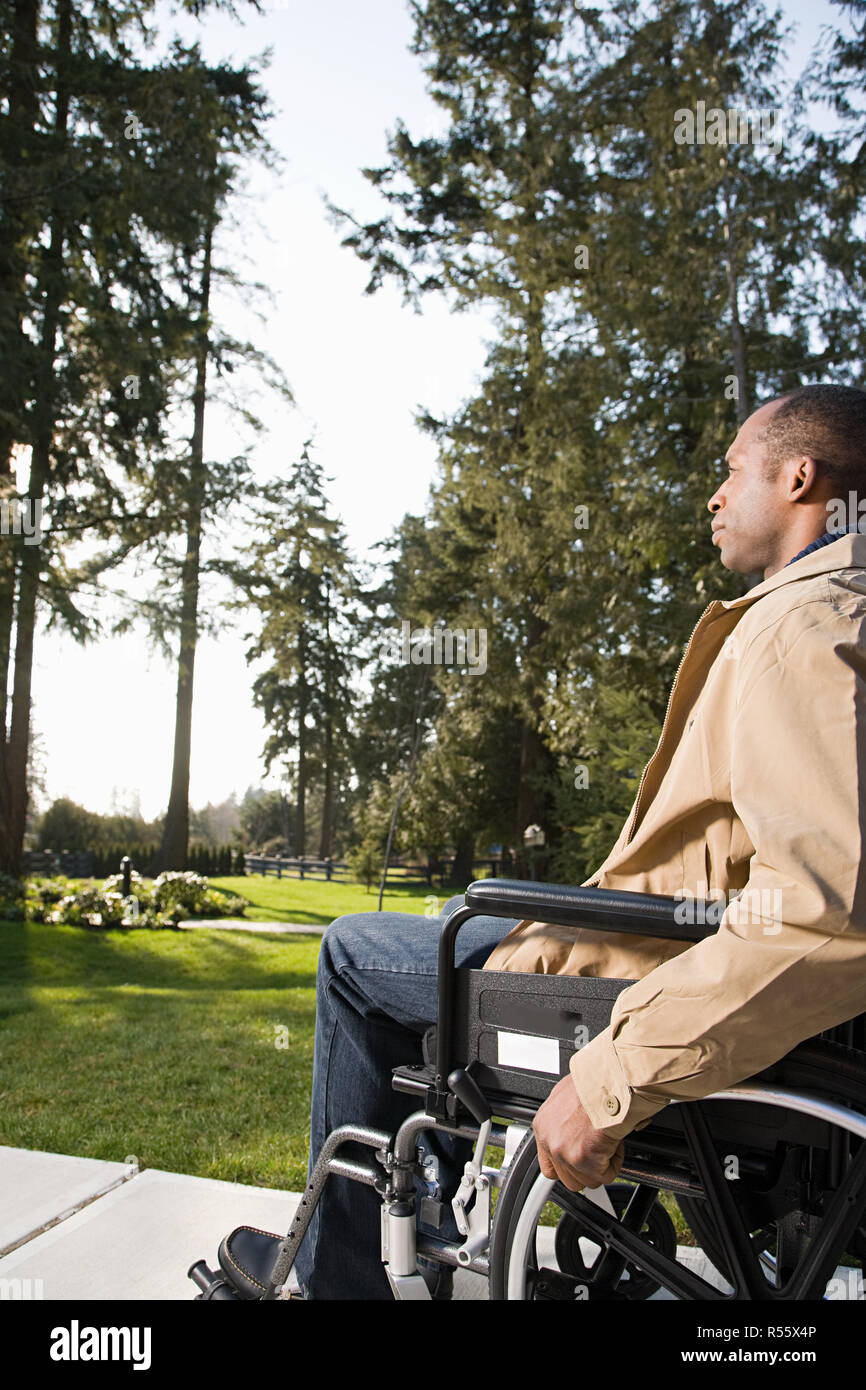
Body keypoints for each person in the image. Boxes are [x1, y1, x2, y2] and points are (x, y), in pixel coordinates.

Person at [294, 384, 866, 1299]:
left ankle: (340, 1279)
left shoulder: (802, 627)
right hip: (677, 933)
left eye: (730, 472)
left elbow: (825, 914)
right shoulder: (835, 611)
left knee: (354, 952)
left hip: (654, 965)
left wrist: (614, 1076)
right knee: (458, 914)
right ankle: (433, 1202)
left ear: (801, 479)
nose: (714, 498)